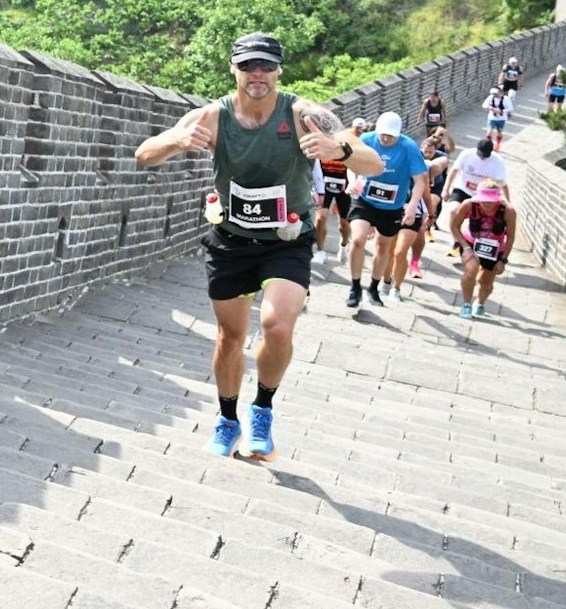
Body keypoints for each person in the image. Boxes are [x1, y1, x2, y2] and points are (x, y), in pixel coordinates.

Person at [135, 33, 379, 461]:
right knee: (230, 337)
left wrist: (336, 147)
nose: (258, 75)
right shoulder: (212, 116)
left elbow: (372, 161)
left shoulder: (304, 114)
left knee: (277, 325)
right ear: (234, 69)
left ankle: (262, 409)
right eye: (248, 67)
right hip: (230, 240)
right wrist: (176, 142)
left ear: (279, 70)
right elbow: (144, 155)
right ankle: (228, 419)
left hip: (287, 240)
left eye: (266, 66)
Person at [343, 111, 429, 309]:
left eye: (390, 135)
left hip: (392, 204)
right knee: (357, 239)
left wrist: (413, 206)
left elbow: (419, 182)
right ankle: (355, 287)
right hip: (365, 198)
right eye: (383, 134)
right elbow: (351, 164)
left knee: (384, 246)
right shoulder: (365, 140)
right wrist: (352, 182)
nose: (385, 138)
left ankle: (373, 287)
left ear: (398, 134)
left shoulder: (408, 148)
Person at [451, 181, 518, 318]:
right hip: (471, 243)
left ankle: (480, 303)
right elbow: (454, 226)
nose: (487, 204)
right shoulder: (469, 205)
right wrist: (465, 247)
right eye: (484, 200)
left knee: (486, 282)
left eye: (491, 201)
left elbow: (510, 237)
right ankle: (466, 305)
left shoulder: (508, 211)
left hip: (495, 249)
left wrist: (503, 260)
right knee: (470, 270)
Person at [444, 137, 510, 256]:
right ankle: (456, 242)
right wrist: (446, 189)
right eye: (480, 154)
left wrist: (508, 203)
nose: (482, 157)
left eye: (486, 155)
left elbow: (503, 184)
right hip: (463, 189)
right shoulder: (466, 154)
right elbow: (454, 171)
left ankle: (477, 241)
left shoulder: (498, 162)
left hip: (485, 195)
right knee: (454, 210)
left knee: (482, 220)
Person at [401, 133, 449, 279]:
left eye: (430, 152)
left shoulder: (426, 164)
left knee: (420, 229)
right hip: (400, 199)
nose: (427, 154)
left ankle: (415, 262)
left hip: (424, 195)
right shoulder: (398, 161)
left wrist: (430, 212)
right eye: (425, 152)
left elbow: (443, 161)